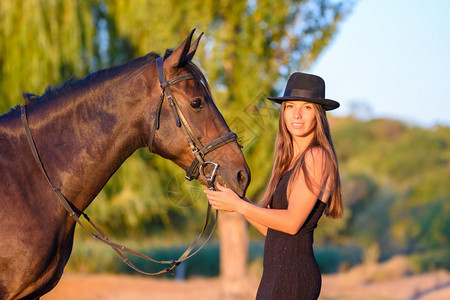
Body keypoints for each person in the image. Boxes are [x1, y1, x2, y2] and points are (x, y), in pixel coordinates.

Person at [205, 72, 343, 300]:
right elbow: (271, 231)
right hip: (275, 276)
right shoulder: (288, 161)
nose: (296, 115)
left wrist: (239, 206)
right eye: (290, 106)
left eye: (306, 108)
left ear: (318, 114)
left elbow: (291, 224)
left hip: (294, 276)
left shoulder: (316, 156)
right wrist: (233, 198)